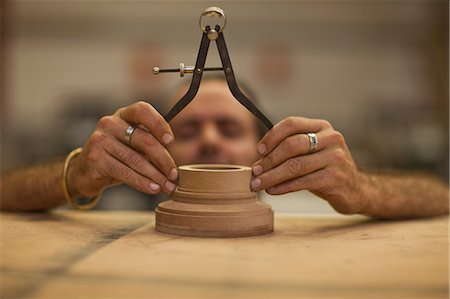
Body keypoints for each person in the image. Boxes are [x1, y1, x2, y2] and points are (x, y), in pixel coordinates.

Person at [0, 78, 448, 218]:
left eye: (228, 129)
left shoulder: (302, 215)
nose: (210, 140)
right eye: (190, 129)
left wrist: (363, 191)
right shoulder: (119, 208)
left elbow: (442, 198)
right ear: (161, 147)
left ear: (262, 146)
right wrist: (75, 176)